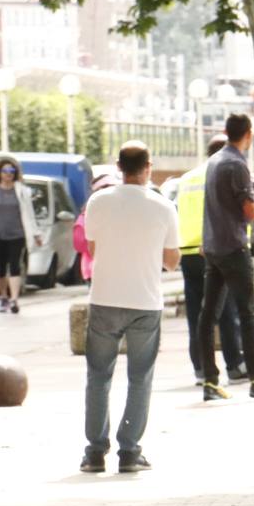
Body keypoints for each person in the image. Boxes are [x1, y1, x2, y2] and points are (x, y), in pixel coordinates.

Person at [80, 141, 181, 474]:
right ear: (148, 167)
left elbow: (92, 249)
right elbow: (171, 261)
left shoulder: (98, 201)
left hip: (104, 299)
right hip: (145, 301)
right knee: (140, 378)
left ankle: (95, 452)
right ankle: (129, 451)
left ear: (118, 166)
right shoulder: (163, 206)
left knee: (98, 377)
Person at [197, 112, 254, 402]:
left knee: (208, 315)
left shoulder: (215, 160)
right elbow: (251, 212)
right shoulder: (236, 164)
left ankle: (210, 380)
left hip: (213, 247)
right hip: (233, 247)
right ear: (248, 134)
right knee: (248, 313)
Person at [174, 134, 247, 386]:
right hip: (215, 248)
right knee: (226, 312)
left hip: (188, 251)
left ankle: (201, 369)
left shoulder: (187, 178)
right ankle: (234, 365)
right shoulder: (221, 174)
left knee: (197, 314)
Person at [0, 156, 43, 314]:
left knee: (15, 265)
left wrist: (36, 234)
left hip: (17, 234)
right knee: (0, 268)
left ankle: (14, 299)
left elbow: (29, 213)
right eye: (5, 170)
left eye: (11, 170)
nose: (8, 173)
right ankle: (3, 297)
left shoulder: (22, 190)